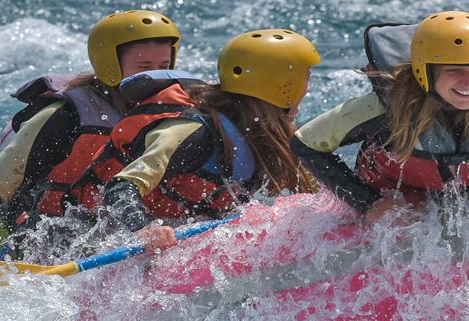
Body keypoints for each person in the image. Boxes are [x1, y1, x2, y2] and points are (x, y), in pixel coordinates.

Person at [291, 11, 469, 223]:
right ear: (423, 71)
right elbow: (305, 143)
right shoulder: (381, 110)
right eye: (453, 69)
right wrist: (369, 204)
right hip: (404, 205)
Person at [0, 9, 182, 261]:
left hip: (108, 233)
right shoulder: (65, 117)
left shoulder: (170, 114)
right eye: (143, 67)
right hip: (36, 232)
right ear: (109, 65)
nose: (155, 77)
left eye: (163, 67)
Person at [102, 29, 322, 250]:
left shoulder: (265, 129)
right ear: (282, 84)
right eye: (306, 78)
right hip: (105, 232)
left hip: (188, 226)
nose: (309, 88)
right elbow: (121, 186)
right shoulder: (193, 133)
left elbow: (312, 192)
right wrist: (146, 230)